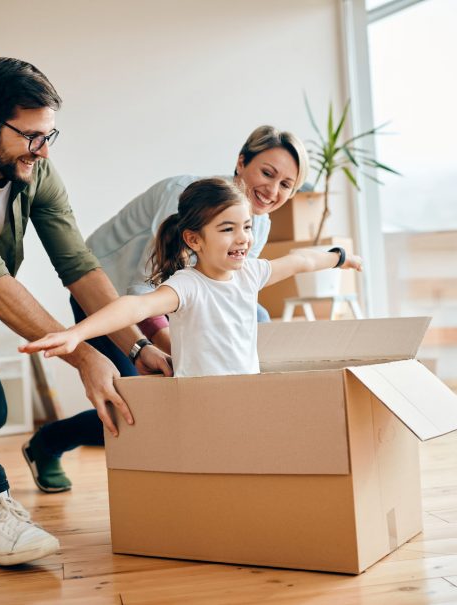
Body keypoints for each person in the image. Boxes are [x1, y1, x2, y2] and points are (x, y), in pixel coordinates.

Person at [0, 57, 171, 567]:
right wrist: (85, 357)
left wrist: (137, 344)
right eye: (32, 136)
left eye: (50, 135)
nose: (43, 149)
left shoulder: (32, 167)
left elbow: (78, 265)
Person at [22, 126, 310, 492]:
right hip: (108, 294)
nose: (273, 191)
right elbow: (149, 285)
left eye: (287, 184)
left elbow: (231, 290)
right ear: (241, 162)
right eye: (267, 173)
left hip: (167, 301)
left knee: (259, 322)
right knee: (135, 405)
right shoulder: (184, 198)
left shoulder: (259, 222)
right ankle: (48, 443)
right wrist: (167, 343)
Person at [20, 178, 362, 381]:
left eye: (245, 227)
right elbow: (134, 306)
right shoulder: (187, 286)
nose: (242, 237)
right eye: (227, 229)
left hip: (245, 394)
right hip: (200, 400)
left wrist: (340, 258)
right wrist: (76, 333)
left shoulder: (250, 274)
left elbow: (299, 261)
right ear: (194, 240)